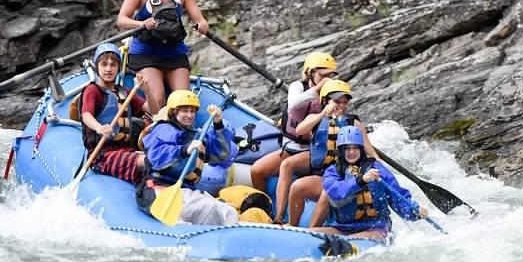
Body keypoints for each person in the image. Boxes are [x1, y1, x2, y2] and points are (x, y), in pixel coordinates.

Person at [116, 0, 210, 115]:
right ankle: (143, 117)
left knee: (183, 101)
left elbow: (200, 19)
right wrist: (141, 24)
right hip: (146, 54)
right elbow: (122, 20)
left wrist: (202, 25)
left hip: (174, 53)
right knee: (158, 101)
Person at [249, 52, 338, 224]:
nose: (326, 80)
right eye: (323, 75)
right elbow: (294, 104)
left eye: (330, 76)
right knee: (257, 170)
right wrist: (316, 90)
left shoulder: (331, 95)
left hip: (315, 151)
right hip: (291, 147)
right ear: (310, 73)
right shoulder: (298, 87)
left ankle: (279, 217)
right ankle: (265, 209)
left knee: (287, 165)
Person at [137, 90, 239, 225]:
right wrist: (183, 150)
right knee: (207, 210)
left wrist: (218, 124)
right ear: (174, 112)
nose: (189, 115)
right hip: (158, 190)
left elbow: (221, 154)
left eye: (192, 111)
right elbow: (157, 156)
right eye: (184, 111)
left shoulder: (197, 136)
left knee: (228, 213)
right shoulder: (163, 129)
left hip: (185, 192)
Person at [285, 79, 376, 227]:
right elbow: (300, 130)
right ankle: (292, 225)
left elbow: (369, 150)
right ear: (326, 101)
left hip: (346, 177)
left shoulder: (354, 123)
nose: (341, 105)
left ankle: (312, 231)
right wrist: (322, 114)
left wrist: (378, 167)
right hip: (323, 174)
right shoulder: (314, 118)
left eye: (344, 102)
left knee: (328, 193)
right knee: (297, 187)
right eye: (337, 101)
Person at [312, 126, 427, 240]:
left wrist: (415, 211)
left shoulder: (377, 169)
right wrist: (361, 180)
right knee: (311, 234)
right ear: (341, 150)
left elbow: (397, 197)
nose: (351, 152)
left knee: (349, 241)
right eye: (347, 148)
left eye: (355, 148)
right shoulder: (333, 171)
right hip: (342, 228)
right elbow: (335, 192)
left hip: (375, 228)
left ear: (361, 149)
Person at [79, 43, 150, 183]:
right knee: (149, 162)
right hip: (101, 155)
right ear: (97, 67)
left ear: (118, 68)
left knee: (153, 161)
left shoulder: (125, 92)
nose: (108, 69)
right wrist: (99, 127)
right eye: (104, 64)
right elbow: (86, 115)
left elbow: (152, 109)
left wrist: (147, 91)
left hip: (126, 150)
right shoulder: (93, 90)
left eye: (113, 65)